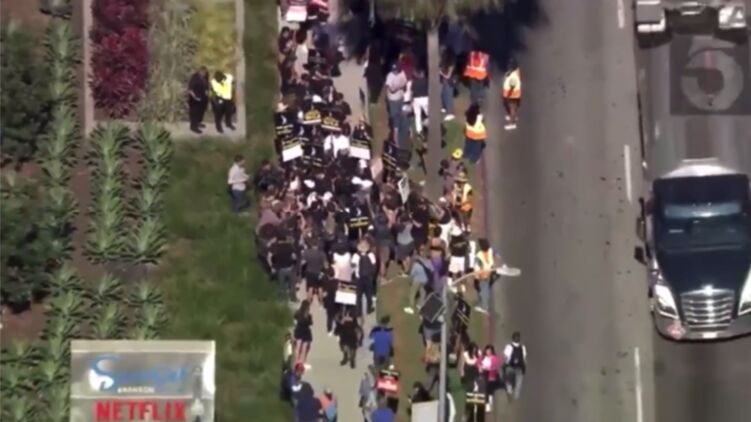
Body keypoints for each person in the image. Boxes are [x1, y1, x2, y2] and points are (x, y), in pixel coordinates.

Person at [384, 63, 408, 148]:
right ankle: (396, 141)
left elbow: (405, 83)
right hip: (393, 100)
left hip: (400, 98)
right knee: (395, 119)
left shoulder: (402, 73)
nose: (395, 71)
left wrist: (401, 86)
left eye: (396, 70)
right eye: (394, 70)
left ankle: (403, 135)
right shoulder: (390, 76)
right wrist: (398, 86)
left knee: (402, 116)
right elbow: (391, 89)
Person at [352, 239, 377, 315]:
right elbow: (374, 265)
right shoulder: (371, 255)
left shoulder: (356, 256)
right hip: (368, 277)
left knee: (358, 296)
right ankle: (369, 309)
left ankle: (358, 311)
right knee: (369, 294)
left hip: (359, 278)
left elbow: (353, 266)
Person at [403, 247, 431, 315]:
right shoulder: (428, 262)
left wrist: (410, 279)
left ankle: (411, 308)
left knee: (412, 293)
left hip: (417, 280)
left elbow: (412, 274)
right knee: (423, 292)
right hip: (425, 280)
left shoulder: (417, 265)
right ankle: (420, 305)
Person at [502, 331, 527, 400]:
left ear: (512, 338)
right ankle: (516, 396)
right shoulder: (523, 347)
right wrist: (524, 367)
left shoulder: (508, 346)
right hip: (519, 368)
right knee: (519, 382)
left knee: (507, 379)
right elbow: (524, 358)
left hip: (510, 367)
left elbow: (505, 356)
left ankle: (509, 390)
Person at [473, 238, 494, 314]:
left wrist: (476, 278)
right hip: (488, 274)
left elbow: (477, 268)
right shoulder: (490, 251)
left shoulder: (478, 256)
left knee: (482, 291)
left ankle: (484, 307)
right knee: (485, 290)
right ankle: (483, 305)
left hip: (483, 276)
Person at [187, 66, 209, 133]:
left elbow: (206, 86)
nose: (204, 73)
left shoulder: (204, 78)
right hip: (195, 99)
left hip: (202, 98)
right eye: (203, 72)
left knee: (200, 112)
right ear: (200, 71)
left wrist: (207, 91)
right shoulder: (195, 78)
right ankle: (193, 127)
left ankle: (198, 123)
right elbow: (190, 89)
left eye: (205, 72)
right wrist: (195, 97)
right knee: (194, 113)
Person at [502, 57, 522, 130]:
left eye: (509, 66)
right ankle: (512, 116)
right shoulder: (515, 72)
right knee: (512, 107)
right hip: (514, 94)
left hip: (512, 95)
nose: (508, 67)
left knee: (512, 108)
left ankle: (512, 123)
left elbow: (512, 86)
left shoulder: (513, 76)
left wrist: (508, 95)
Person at [293, 300, 313, 368]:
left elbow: (294, 321)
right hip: (306, 331)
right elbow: (310, 323)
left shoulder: (297, 313)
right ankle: (302, 363)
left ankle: (296, 362)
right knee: (304, 349)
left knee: (297, 347)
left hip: (298, 330)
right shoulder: (308, 315)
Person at [411, 68, 429, 136]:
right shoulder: (426, 81)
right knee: (429, 114)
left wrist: (411, 101)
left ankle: (419, 131)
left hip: (416, 100)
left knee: (417, 115)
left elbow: (412, 92)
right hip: (425, 99)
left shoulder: (414, 82)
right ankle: (429, 127)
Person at [439, 56, 456, 121]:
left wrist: (441, 73)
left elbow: (448, 76)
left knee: (448, 97)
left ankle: (450, 113)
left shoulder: (451, 65)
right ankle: (444, 107)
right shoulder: (445, 64)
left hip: (449, 82)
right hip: (445, 82)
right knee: (443, 94)